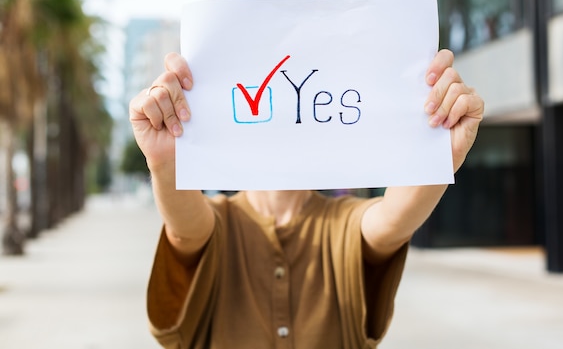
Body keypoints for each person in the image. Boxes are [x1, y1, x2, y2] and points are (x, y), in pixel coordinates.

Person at [129, 49, 484, 349]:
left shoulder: (341, 221)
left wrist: (439, 157)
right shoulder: (220, 222)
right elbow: (187, 232)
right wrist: (165, 163)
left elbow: (391, 225)